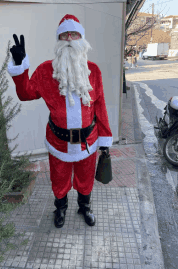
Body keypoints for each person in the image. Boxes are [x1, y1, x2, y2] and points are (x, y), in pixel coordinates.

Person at [7, 14, 113, 228]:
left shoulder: (93, 70)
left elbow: (99, 105)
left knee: (85, 177)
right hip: (58, 141)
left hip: (88, 140)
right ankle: (61, 208)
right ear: (58, 40)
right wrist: (20, 67)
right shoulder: (47, 70)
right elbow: (26, 93)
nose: (69, 39)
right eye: (64, 35)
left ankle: (84, 207)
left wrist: (105, 138)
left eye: (74, 34)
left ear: (81, 38)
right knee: (59, 178)